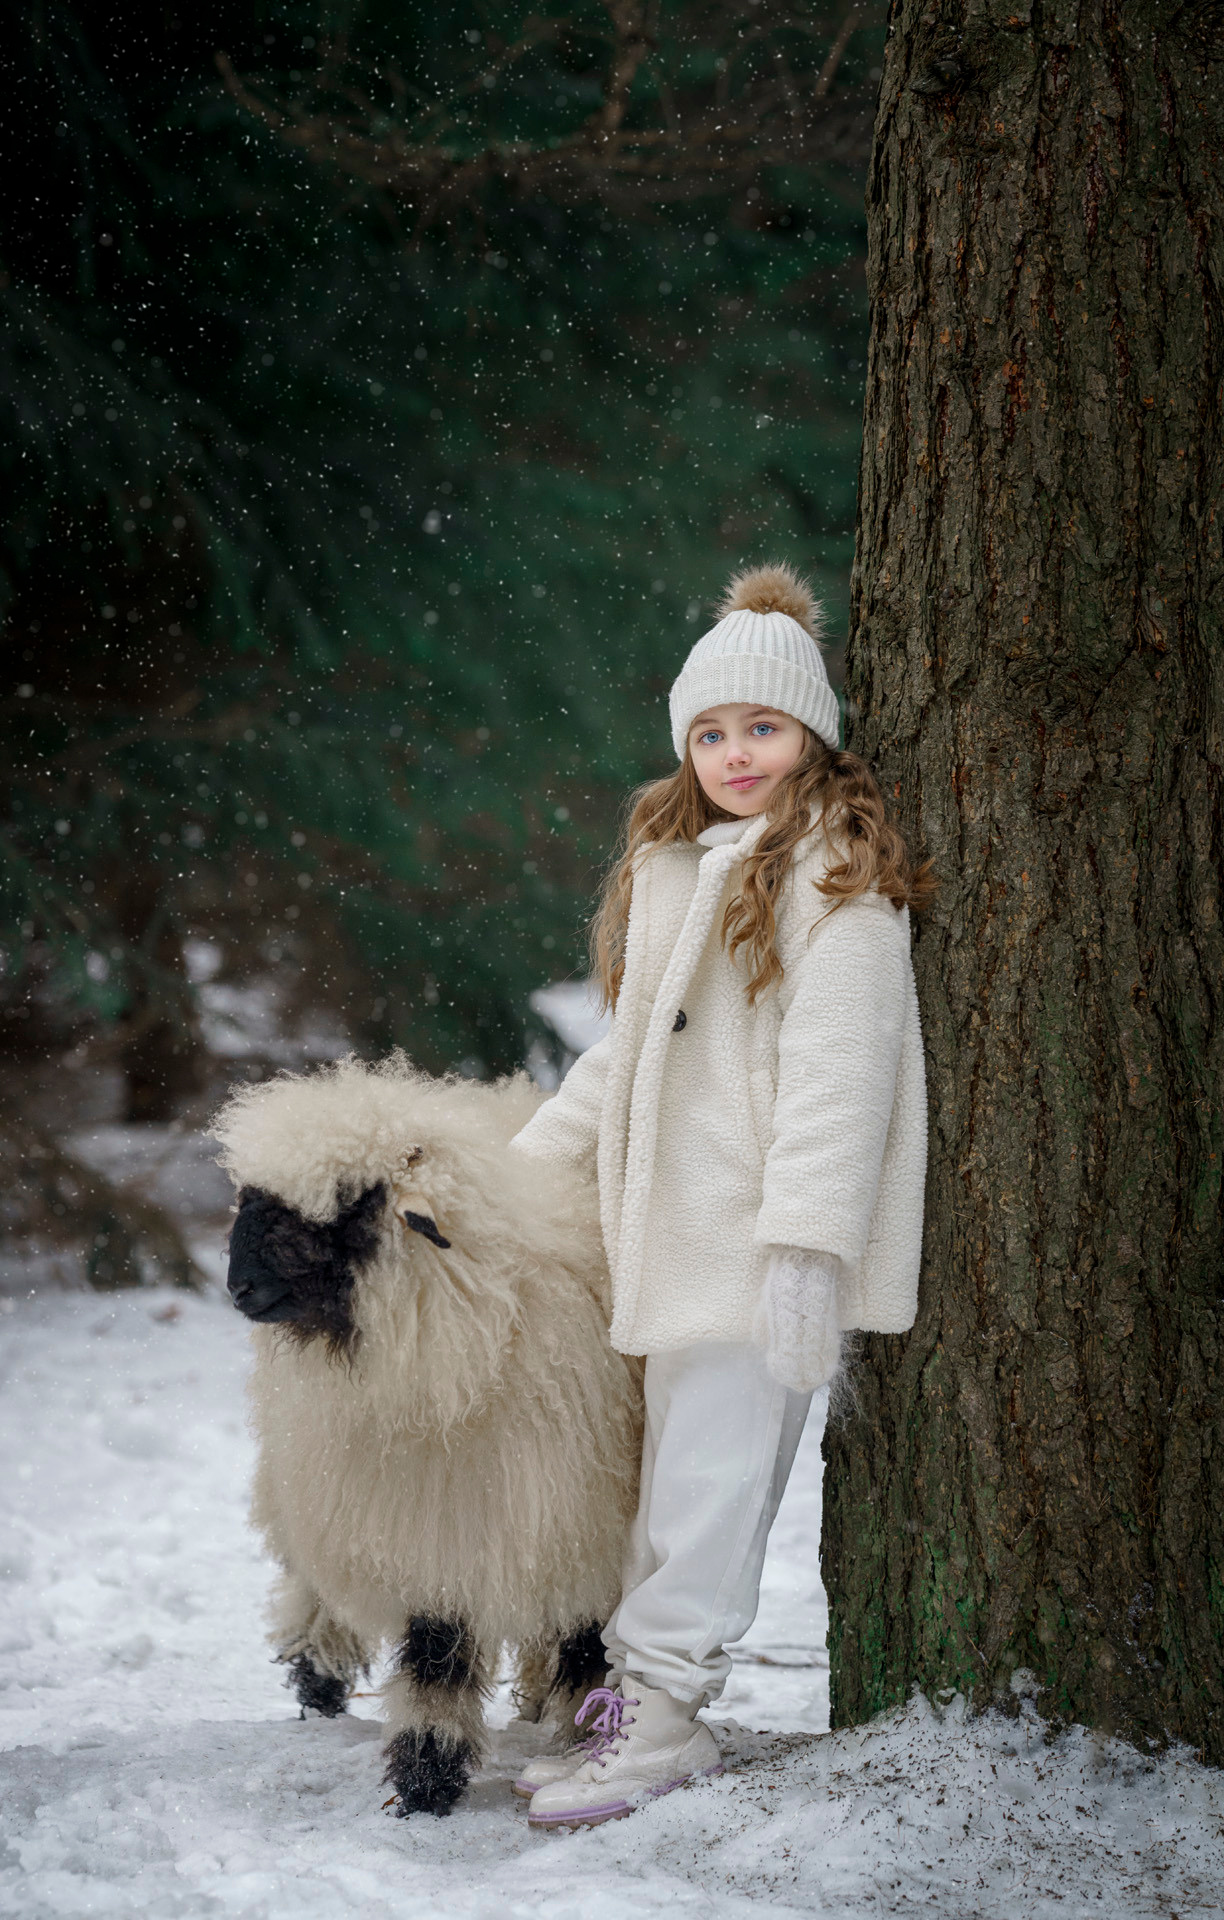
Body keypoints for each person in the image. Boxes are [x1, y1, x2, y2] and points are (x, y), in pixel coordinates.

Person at [509, 562, 933, 1830]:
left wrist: (806, 1250)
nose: (735, 753)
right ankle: (635, 1703)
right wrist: (515, 1174)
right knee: (664, 1491)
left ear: (813, 733)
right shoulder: (680, 865)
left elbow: (843, 1073)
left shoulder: (832, 867)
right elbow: (625, 1056)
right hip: (667, 1246)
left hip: (758, 1254)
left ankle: (669, 1717)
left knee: (711, 1494)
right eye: (710, 732)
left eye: (762, 727)